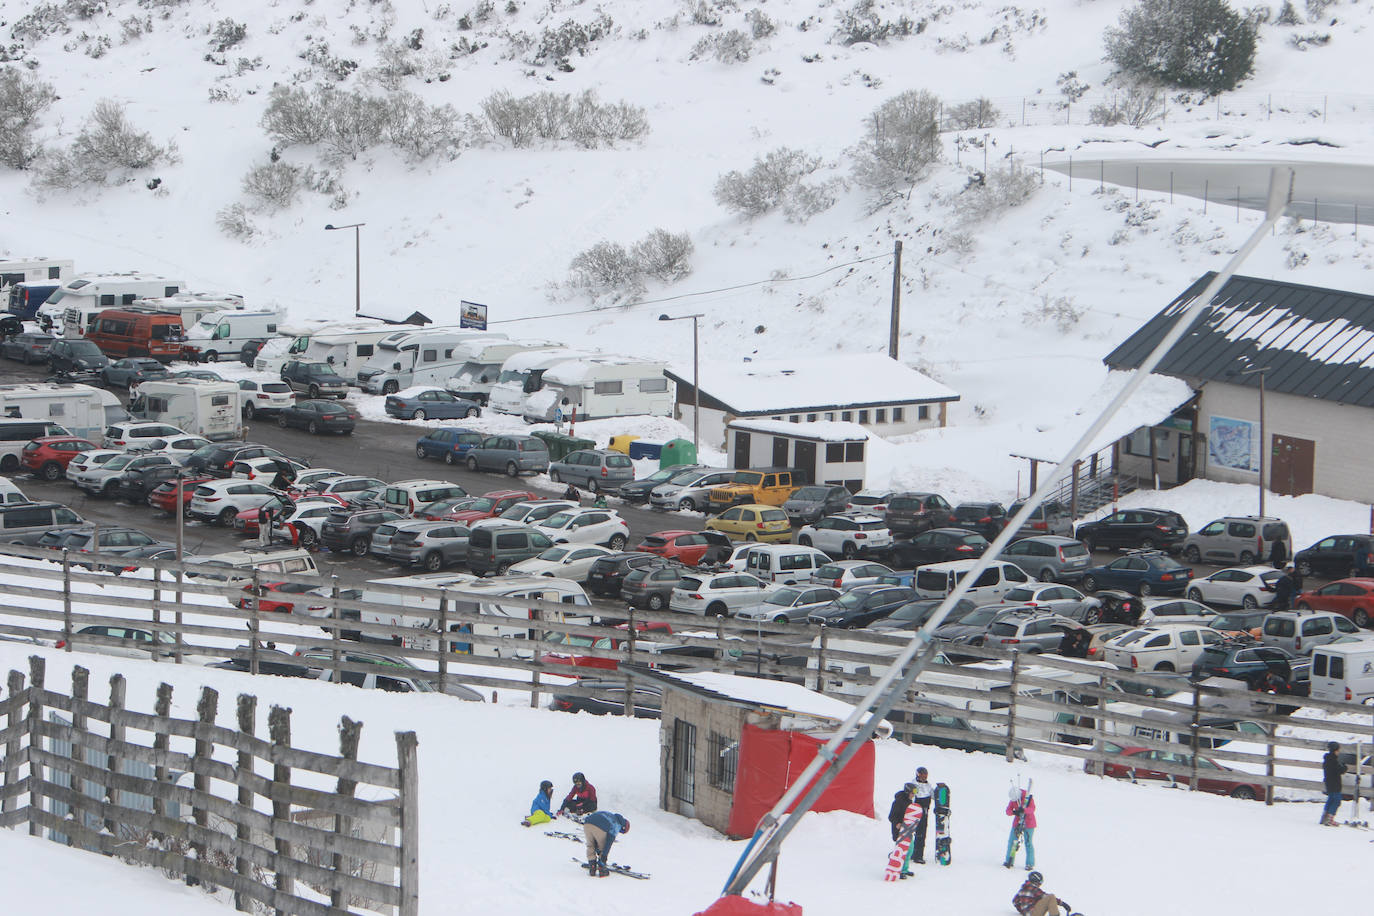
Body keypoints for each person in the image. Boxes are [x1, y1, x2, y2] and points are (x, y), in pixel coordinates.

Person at [582, 810, 630, 877]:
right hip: (600, 827)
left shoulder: (610, 815)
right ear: (623, 827)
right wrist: (604, 856)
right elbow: (609, 842)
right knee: (603, 847)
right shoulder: (617, 824)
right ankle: (602, 869)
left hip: (587, 823)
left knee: (591, 845)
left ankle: (592, 866)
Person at [1003, 785, 1036, 870]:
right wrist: (1014, 812)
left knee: (1028, 843)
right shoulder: (1013, 798)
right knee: (1012, 841)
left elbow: (1032, 808)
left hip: (1029, 823)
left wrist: (1024, 810)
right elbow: (1008, 811)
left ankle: (1030, 864)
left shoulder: (1027, 797)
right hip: (1017, 823)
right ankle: (1009, 860)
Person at [910, 767, 934, 864]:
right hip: (913, 812)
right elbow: (910, 797)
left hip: (924, 813)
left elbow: (934, 795)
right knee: (908, 833)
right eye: (922, 775)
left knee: (921, 834)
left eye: (925, 775)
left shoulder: (928, 786)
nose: (924, 777)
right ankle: (907, 851)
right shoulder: (914, 785)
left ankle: (918, 855)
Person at [1321, 741, 1347, 826]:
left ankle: (1324, 817)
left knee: (1331, 799)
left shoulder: (1327, 760)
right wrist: (1344, 767)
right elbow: (1340, 770)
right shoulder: (1333, 761)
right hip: (1335, 783)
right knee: (1336, 800)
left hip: (1329, 782)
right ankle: (1329, 819)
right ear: (1335, 751)